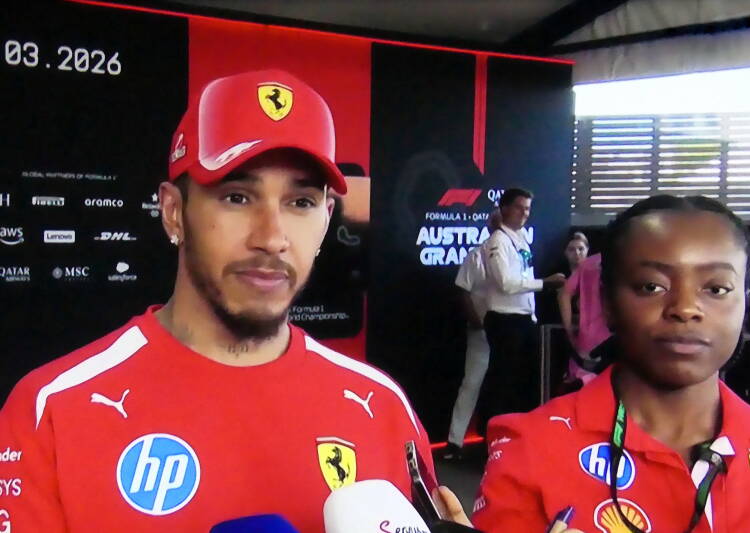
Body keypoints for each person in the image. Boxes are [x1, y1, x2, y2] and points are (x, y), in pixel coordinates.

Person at [0, 70, 441, 532]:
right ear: (174, 212)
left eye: (301, 203)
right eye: (237, 197)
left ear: (327, 219)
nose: (272, 238)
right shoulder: (51, 410)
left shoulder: (383, 406)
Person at [473, 195, 750, 532]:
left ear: (744, 300)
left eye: (716, 289)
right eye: (651, 286)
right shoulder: (530, 449)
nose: (685, 308)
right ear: (607, 302)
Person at [481, 188, 564, 426]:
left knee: (523, 381)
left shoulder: (521, 239)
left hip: (524, 318)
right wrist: (544, 283)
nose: (524, 213)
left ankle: (520, 430)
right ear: (504, 209)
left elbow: (523, 276)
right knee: (503, 380)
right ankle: (491, 431)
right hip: (505, 320)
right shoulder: (498, 241)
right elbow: (506, 283)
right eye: (519, 207)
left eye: (527, 209)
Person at [443, 210, 502, 460]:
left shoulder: (519, 253)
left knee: (504, 386)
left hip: (509, 331)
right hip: (482, 331)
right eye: (496, 224)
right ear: (489, 226)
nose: (500, 228)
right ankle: (455, 442)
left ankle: (500, 442)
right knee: (471, 384)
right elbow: (463, 290)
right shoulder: (476, 256)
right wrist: (476, 320)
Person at [557, 245, 611, 388]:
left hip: (588, 339)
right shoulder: (629, 260)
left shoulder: (589, 263)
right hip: (618, 338)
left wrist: (569, 331)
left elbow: (563, 294)